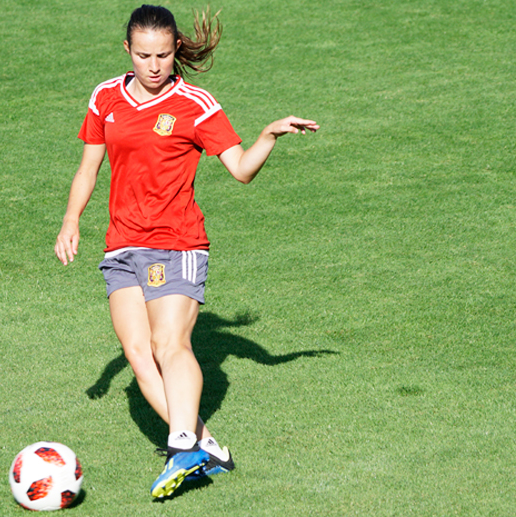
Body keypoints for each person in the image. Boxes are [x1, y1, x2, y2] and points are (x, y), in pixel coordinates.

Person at [54, 4, 319, 499]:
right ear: (127, 50)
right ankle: (207, 447)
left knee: (170, 345)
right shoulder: (105, 96)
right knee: (138, 354)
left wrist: (268, 135)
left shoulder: (194, 103)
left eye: (163, 55)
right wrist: (71, 222)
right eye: (143, 55)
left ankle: (180, 446)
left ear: (176, 49)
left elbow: (240, 169)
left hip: (175, 243)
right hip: (121, 245)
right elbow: (88, 167)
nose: (154, 66)